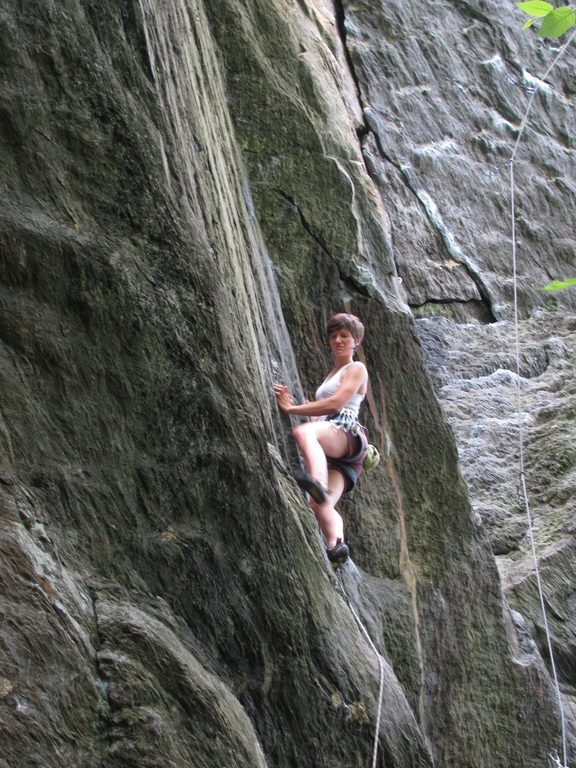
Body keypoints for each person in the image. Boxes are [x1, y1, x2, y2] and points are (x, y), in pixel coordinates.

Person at [274, 313, 369, 565]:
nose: (338, 340)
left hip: (346, 431)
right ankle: (336, 546)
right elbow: (321, 416)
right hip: (339, 450)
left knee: (301, 434)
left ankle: (317, 482)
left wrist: (292, 411)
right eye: (334, 336)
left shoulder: (356, 368)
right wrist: (308, 411)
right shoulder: (331, 375)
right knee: (320, 506)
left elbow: (337, 402)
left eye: (345, 336)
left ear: (355, 341)